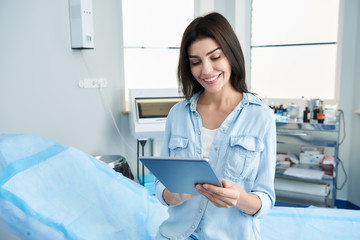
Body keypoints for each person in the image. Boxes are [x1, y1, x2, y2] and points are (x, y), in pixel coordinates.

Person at [155, 12, 276, 240]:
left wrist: (238, 198)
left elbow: (266, 199)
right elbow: (161, 187)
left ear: (231, 54)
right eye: (196, 62)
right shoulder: (177, 114)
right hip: (175, 234)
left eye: (215, 57)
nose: (207, 70)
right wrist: (176, 195)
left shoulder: (261, 117)